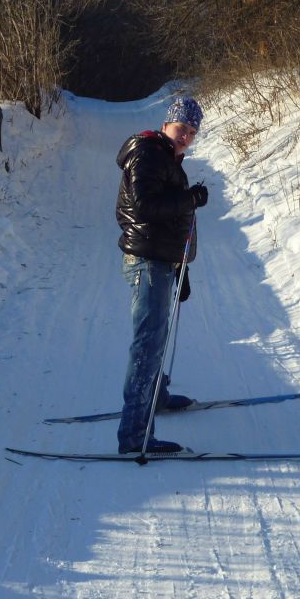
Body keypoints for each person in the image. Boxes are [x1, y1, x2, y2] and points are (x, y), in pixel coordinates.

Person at [114, 96, 209, 454]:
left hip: (160, 261)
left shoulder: (165, 157)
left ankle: (157, 397)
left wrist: (180, 267)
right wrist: (191, 199)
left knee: (157, 338)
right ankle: (135, 436)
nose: (186, 136)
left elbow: (169, 219)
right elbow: (144, 206)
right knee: (148, 345)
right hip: (148, 262)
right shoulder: (149, 154)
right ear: (167, 124)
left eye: (192, 132)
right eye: (181, 128)